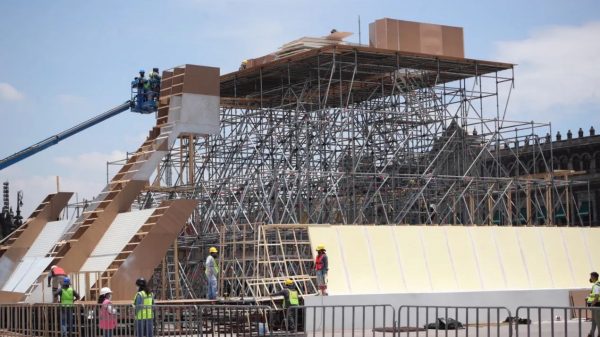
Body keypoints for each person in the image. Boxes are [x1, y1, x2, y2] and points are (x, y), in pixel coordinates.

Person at [587, 272, 600, 337]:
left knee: (598, 321)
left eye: (591, 277)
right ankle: (591, 334)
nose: (590, 278)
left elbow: (597, 297)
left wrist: (591, 305)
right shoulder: (596, 284)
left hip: (596, 306)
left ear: (594, 277)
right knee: (594, 321)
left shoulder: (596, 286)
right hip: (595, 306)